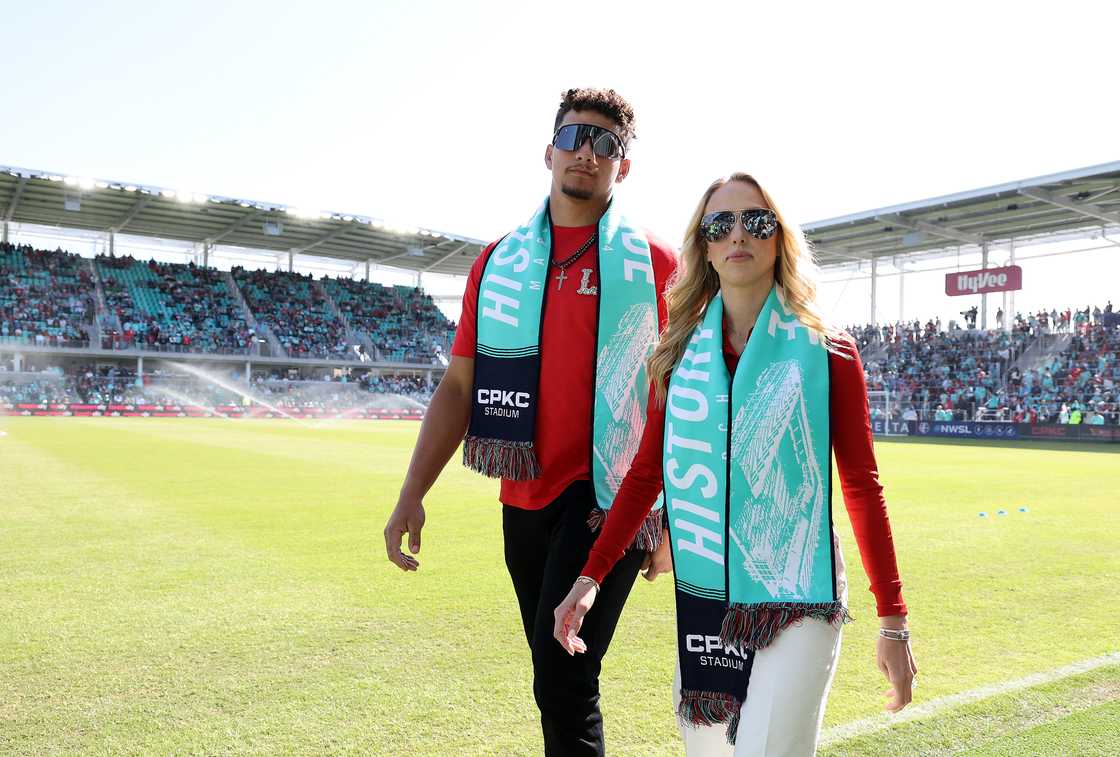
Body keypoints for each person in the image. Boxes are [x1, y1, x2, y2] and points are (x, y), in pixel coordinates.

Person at [553, 173, 916, 755]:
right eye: (719, 224)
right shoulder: (676, 353)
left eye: (757, 221)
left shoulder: (828, 350)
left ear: (779, 239)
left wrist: (892, 620)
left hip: (798, 590)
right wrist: (590, 576)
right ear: (704, 245)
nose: (737, 235)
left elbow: (861, 487)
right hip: (708, 591)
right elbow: (646, 475)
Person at [382, 87, 677, 756]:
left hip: (611, 497)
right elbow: (461, 386)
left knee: (566, 675)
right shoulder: (498, 263)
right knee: (556, 679)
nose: (587, 153)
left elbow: (688, 399)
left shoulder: (658, 264)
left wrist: (675, 520)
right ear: (549, 150)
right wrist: (411, 492)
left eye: (607, 144)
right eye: (576, 137)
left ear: (622, 166)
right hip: (524, 495)